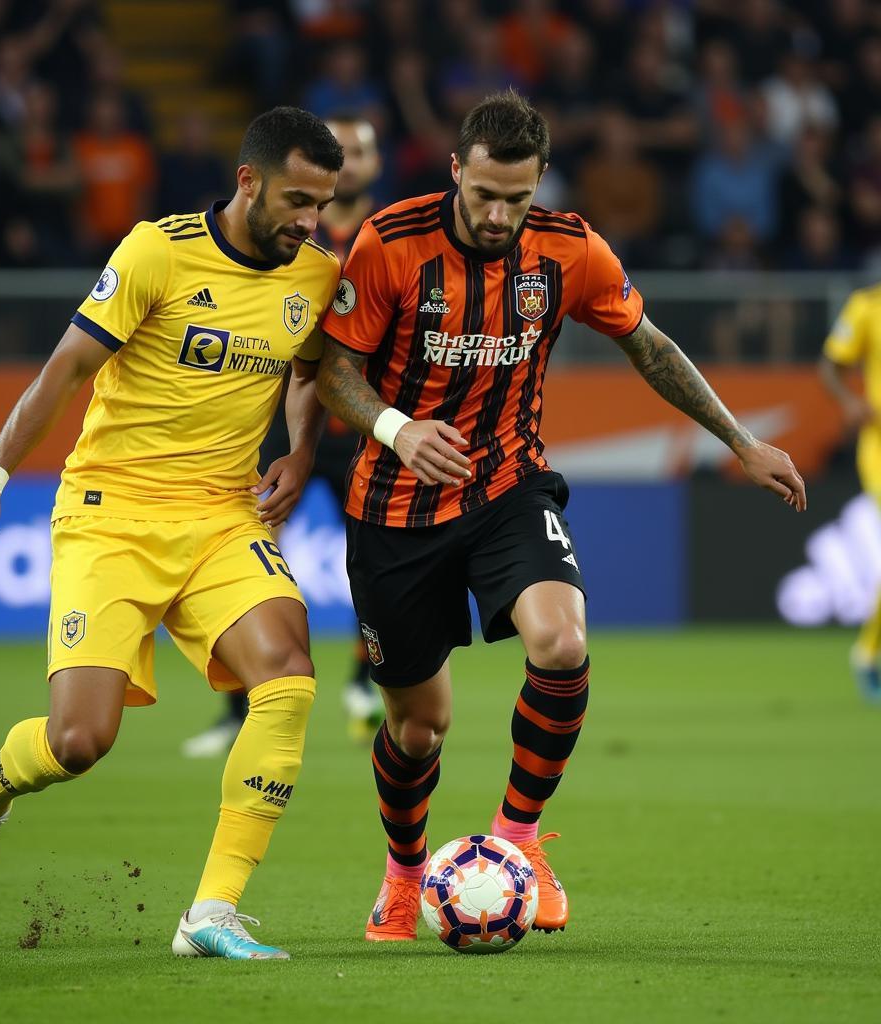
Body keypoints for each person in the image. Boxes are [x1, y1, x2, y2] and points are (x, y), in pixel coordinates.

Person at [314, 89, 806, 942]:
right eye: (485, 195)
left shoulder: (569, 250)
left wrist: (738, 440)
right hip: (395, 510)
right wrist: (396, 429)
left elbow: (648, 344)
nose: (501, 214)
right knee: (418, 727)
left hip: (509, 488)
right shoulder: (390, 244)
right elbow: (333, 372)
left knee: (563, 643)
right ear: (457, 170)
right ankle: (402, 877)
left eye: (519, 196)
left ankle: (518, 841)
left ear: (540, 180)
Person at [0, 106, 344, 960]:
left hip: (223, 513)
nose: (310, 220)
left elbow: (310, 373)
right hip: (110, 513)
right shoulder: (157, 250)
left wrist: (300, 452)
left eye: (323, 203)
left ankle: (211, 913)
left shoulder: (315, 276)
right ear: (247, 180)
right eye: (297, 198)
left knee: (289, 676)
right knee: (79, 742)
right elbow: (65, 370)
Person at [182, 112, 385, 758]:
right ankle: (237, 705)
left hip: (357, 424)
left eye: (358, 152)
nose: (348, 162)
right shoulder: (289, 228)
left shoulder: (386, 237)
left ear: (374, 166)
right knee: (248, 560)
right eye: (340, 151)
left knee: (372, 564)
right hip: (282, 423)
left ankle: (362, 682)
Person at [820, 283, 881, 701]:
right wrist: (850, 402)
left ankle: (867, 651)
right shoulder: (867, 306)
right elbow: (830, 366)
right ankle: (867, 652)